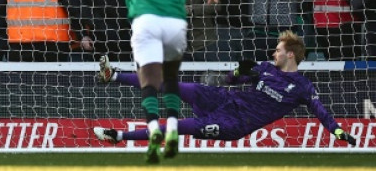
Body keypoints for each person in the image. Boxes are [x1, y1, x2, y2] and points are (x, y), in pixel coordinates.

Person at [94, 31, 358, 148]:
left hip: (235, 123)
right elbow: (231, 80)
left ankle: (119, 136)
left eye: (278, 50)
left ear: (290, 54)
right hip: (223, 99)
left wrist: (337, 131)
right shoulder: (265, 68)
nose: (273, 53)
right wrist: (238, 73)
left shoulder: (302, 86)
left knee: (176, 126)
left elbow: (320, 111)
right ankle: (113, 75)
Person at [119, 0, 225, 162]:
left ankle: (153, 128)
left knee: (148, 79)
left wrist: (134, 19)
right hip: (174, 21)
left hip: (145, 20)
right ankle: (173, 128)